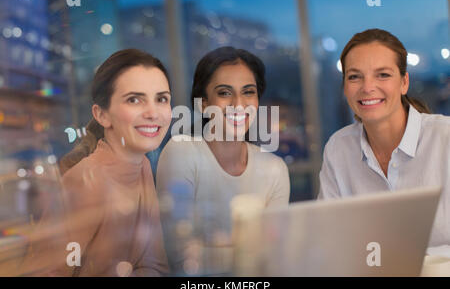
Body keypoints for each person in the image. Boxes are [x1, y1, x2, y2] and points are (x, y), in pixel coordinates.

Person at [156, 46, 290, 275]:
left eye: (248, 92)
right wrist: (248, 251)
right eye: (225, 93)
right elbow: (181, 256)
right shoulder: (181, 152)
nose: (239, 104)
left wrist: (216, 250)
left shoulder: (274, 169)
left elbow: (275, 257)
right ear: (204, 104)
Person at [318, 29, 450, 247]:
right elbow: (330, 241)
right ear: (344, 87)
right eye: (354, 76)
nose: (367, 87)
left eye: (383, 74)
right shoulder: (338, 149)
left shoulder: (444, 139)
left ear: (404, 82)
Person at [55, 49, 171, 276]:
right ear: (102, 115)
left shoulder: (143, 166)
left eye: (161, 99)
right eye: (134, 99)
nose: (153, 112)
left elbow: (154, 263)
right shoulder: (85, 181)